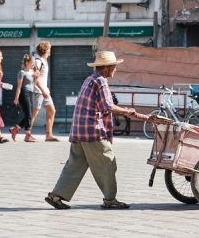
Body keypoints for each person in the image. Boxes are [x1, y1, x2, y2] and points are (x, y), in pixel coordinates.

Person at [45, 51, 152, 210]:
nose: (115, 69)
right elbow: (107, 107)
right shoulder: (101, 81)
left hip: (78, 130)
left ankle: (56, 195)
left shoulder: (89, 79)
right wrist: (126, 111)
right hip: (92, 131)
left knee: (74, 165)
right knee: (108, 163)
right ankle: (110, 200)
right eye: (114, 66)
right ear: (107, 68)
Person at [32, 41, 58, 141]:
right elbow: (35, 79)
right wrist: (43, 90)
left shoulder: (44, 61)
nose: (50, 50)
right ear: (46, 50)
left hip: (44, 91)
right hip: (39, 91)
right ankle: (21, 130)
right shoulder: (38, 61)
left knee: (51, 111)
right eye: (49, 48)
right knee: (34, 114)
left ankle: (49, 135)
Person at [10, 54, 37, 142]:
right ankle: (28, 135)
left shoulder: (33, 72)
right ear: (27, 62)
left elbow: (34, 84)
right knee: (29, 114)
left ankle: (15, 129)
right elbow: (19, 86)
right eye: (32, 62)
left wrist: (36, 77)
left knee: (29, 115)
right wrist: (16, 98)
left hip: (31, 92)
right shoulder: (22, 72)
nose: (33, 64)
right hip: (24, 93)